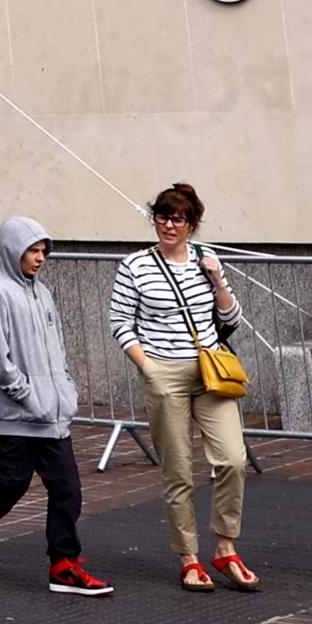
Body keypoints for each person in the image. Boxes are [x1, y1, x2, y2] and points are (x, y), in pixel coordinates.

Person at [0, 214, 113, 597]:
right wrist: (27, 395)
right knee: (10, 487)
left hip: (53, 416)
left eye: (43, 251)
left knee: (68, 490)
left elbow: (58, 351)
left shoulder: (43, 293)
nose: (39, 258)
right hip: (17, 417)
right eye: (32, 251)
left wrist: (64, 390)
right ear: (12, 251)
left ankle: (64, 564)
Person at [113, 181, 258, 592]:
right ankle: (189, 556)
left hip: (210, 371)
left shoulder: (206, 260)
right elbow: (120, 322)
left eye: (178, 219)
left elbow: (230, 320)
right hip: (164, 373)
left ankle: (225, 546)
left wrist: (218, 282)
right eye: (161, 216)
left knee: (232, 458)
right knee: (177, 469)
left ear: (193, 224)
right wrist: (148, 368)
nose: (168, 225)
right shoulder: (136, 265)